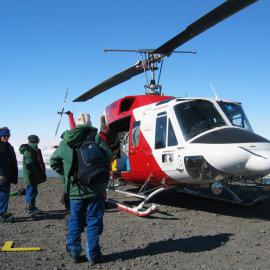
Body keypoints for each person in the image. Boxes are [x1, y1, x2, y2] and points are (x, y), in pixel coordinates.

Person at [50, 113, 112, 265]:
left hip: (75, 191)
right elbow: (108, 155)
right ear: (89, 123)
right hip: (95, 188)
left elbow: (53, 161)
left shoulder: (66, 141)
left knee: (75, 221)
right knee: (94, 221)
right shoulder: (95, 137)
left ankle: (75, 253)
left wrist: (66, 175)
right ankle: (93, 255)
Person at [19, 135, 46, 216]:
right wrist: (37, 175)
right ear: (36, 140)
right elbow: (30, 165)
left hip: (33, 176)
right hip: (31, 176)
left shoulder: (33, 149)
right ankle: (30, 209)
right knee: (31, 191)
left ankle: (32, 207)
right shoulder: (29, 150)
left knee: (33, 191)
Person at [0, 127, 18, 223]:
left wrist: (12, 174)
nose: (6, 138)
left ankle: (3, 212)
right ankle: (3, 214)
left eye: (8, 136)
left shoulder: (8, 147)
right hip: (1, 176)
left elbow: (12, 162)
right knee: (3, 194)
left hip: (6, 175)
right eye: (4, 136)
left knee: (5, 195)